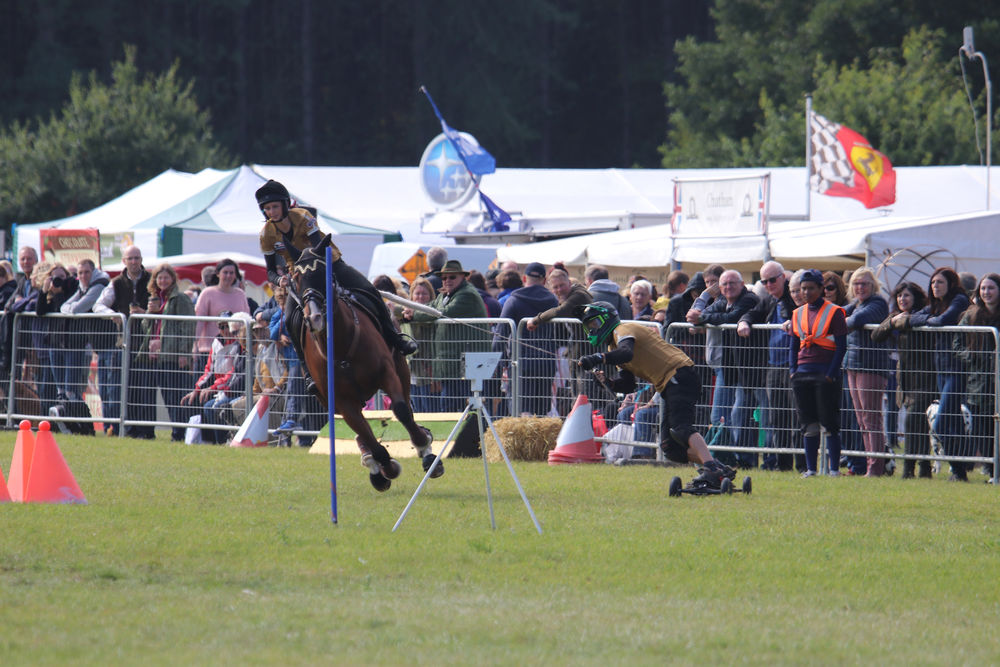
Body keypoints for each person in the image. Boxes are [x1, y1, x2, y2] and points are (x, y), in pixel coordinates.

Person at [575, 301, 736, 488]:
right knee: (670, 448)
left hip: (679, 373)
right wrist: (608, 383)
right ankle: (719, 469)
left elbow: (626, 353)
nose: (592, 330)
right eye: (589, 327)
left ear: (606, 319)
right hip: (668, 383)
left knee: (682, 428)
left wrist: (598, 358)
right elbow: (628, 384)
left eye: (594, 324)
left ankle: (711, 470)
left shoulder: (623, 329)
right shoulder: (613, 347)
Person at [255, 179, 417, 358]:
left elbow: (318, 249)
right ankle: (306, 369)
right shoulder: (265, 234)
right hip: (299, 274)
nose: (271, 212)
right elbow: (270, 271)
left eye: (275, 207)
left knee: (370, 290)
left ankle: (396, 339)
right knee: (288, 318)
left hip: (327, 263)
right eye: (267, 209)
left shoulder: (304, 217)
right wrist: (280, 280)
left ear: (285, 205)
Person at [898, 267, 971, 480]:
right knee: (953, 423)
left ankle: (958, 468)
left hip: (957, 369)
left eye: (939, 282)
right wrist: (927, 319)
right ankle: (959, 472)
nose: (935, 286)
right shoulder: (936, 305)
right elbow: (912, 319)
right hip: (941, 370)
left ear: (950, 283)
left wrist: (928, 320)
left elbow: (940, 321)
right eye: (932, 283)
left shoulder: (958, 300)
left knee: (940, 423)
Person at [691, 269, 761, 468]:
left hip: (747, 367)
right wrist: (703, 315)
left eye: (732, 283)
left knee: (740, 413)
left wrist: (703, 319)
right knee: (718, 416)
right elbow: (703, 314)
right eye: (725, 284)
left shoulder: (749, 299)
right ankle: (723, 458)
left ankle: (744, 459)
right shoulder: (722, 301)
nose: (728, 287)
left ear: (742, 284)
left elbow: (733, 318)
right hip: (728, 366)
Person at [405, 260, 487, 412]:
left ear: (463, 277)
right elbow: (431, 307)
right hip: (454, 361)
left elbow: (441, 313)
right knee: (450, 403)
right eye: (444, 278)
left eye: (452, 277)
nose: (447, 280)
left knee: (459, 405)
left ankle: (464, 434)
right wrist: (411, 311)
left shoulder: (466, 294)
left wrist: (413, 314)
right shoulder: (446, 295)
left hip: (467, 360)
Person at [789, 269, 848, 478]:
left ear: (821, 289)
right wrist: (793, 371)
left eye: (811, 288)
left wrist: (831, 374)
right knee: (808, 424)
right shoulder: (797, 313)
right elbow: (793, 344)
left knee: (829, 422)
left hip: (824, 374)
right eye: (803, 289)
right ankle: (811, 469)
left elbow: (841, 346)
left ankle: (833, 469)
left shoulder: (835, 312)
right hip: (802, 374)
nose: (806, 292)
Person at [872, 282, 934, 479]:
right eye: (899, 296)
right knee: (917, 425)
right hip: (905, 380)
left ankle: (910, 468)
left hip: (924, 378)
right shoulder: (895, 317)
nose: (902, 299)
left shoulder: (922, 315)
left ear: (915, 297)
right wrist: (892, 322)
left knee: (913, 423)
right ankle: (923, 468)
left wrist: (906, 321)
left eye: (906, 295)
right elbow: (876, 335)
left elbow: (925, 320)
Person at [741, 261, 797, 471]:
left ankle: (801, 464)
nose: (769, 284)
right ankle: (783, 465)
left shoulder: (794, 298)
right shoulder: (769, 300)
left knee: (796, 416)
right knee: (777, 417)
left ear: (783, 277)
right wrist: (744, 322)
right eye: (764, 281)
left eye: (772, 280)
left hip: (793, 365)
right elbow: (752, 313)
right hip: (773, 366)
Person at [93, 245, 151, 437]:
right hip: (123, 344)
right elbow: (98, 305)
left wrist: (146, 313)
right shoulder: (116, 282)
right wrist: (114, 314)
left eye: (137, 258)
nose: (134, 262)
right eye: (130, 258)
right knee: (122, 390)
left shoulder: (152, 280)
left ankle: (145, 430)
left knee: (144, 390)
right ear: (124, 261)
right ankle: (123, 429)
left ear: (141, 260)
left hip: (147, 343)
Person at [136, 263, 197, 441]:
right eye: (159, 277)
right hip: (154, 356)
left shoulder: (180, 298)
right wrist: (149, 312)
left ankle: (178, 433)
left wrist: (184, 354)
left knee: (174, 396)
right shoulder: (154, 299)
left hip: (172, 355)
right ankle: (151, 432)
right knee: (160, 396)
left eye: (166, 277)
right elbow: (145, 327)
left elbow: (188, 326)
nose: (162, 281)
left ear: (172, 279)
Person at [842, 268, 893, 477]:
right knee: (862, 419)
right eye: (856, 283)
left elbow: (856, 320)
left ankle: (876, 467)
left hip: (870, 366)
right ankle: (871, 464)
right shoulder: (855, 304)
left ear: (873, 286)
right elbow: (837, 312)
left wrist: (835, 323)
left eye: (864, 283)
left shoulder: (878, 303)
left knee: (871, 419)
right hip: (852, 365)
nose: (860, 287)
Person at [493, 261, 558, 416]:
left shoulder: (514, 300)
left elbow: (501, 333)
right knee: (541, 412)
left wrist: (498, 363)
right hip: (545, 364)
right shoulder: (554, 301)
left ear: (524, 278)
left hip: (520, 363)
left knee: (520, 409)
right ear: (544, 280)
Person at [956, 273, 1000, 480]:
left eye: (991, 288)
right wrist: (970, 357)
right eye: (983, 288)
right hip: (977, 384)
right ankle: (993, 471)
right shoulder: (971, 315)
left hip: (997, 382)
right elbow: (957, 342)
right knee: (981, 431)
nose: (986, 292)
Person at [181, 311, 246, 444]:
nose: (225, 330)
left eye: (227, 326)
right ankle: (199, 439)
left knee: (213, 407)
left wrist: (212, 388)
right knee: (192, 401)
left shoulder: (239, 345)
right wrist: (197, 389)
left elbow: (233, 373)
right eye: (221, 327)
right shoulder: (216, 342)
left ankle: (222, 441)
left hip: (232, 387)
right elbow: (209, 370)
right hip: (220, 386)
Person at [59, 259, 112, 400]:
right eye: (80, 273)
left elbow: (77, 308)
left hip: (110, 344)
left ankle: (111, 423)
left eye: (87, 272)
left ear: (93, 272)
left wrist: (72, 309)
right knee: (104, 392)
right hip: (99, 345)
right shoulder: (83, 287)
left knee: (110, 392)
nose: (83, 276)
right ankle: (107, 423)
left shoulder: (99, 285)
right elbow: (64, 306)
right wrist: (72, 309)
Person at [34, 263, 79, 408]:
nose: (58, 280)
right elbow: (40, 311)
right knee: (60, 390)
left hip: (71, 344)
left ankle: (76, 418)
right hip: (54, 344)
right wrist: (44, 291)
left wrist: (61, 291)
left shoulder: (73, 291)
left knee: (70, 389)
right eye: (55, 277)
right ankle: (63, 420)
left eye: (62, 277)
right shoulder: (50, 296)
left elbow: (63, 309)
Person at [398, 277, 440, 413]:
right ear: (412, 296)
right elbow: (394, 311)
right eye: (417, 293)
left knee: (430, 406)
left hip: (429, 367)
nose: (420, 297)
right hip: (413, 366)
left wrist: (413, 314)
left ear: (431, 295)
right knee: (416, 406)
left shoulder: (433, 311)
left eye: (424, 294)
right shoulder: (406, 311)